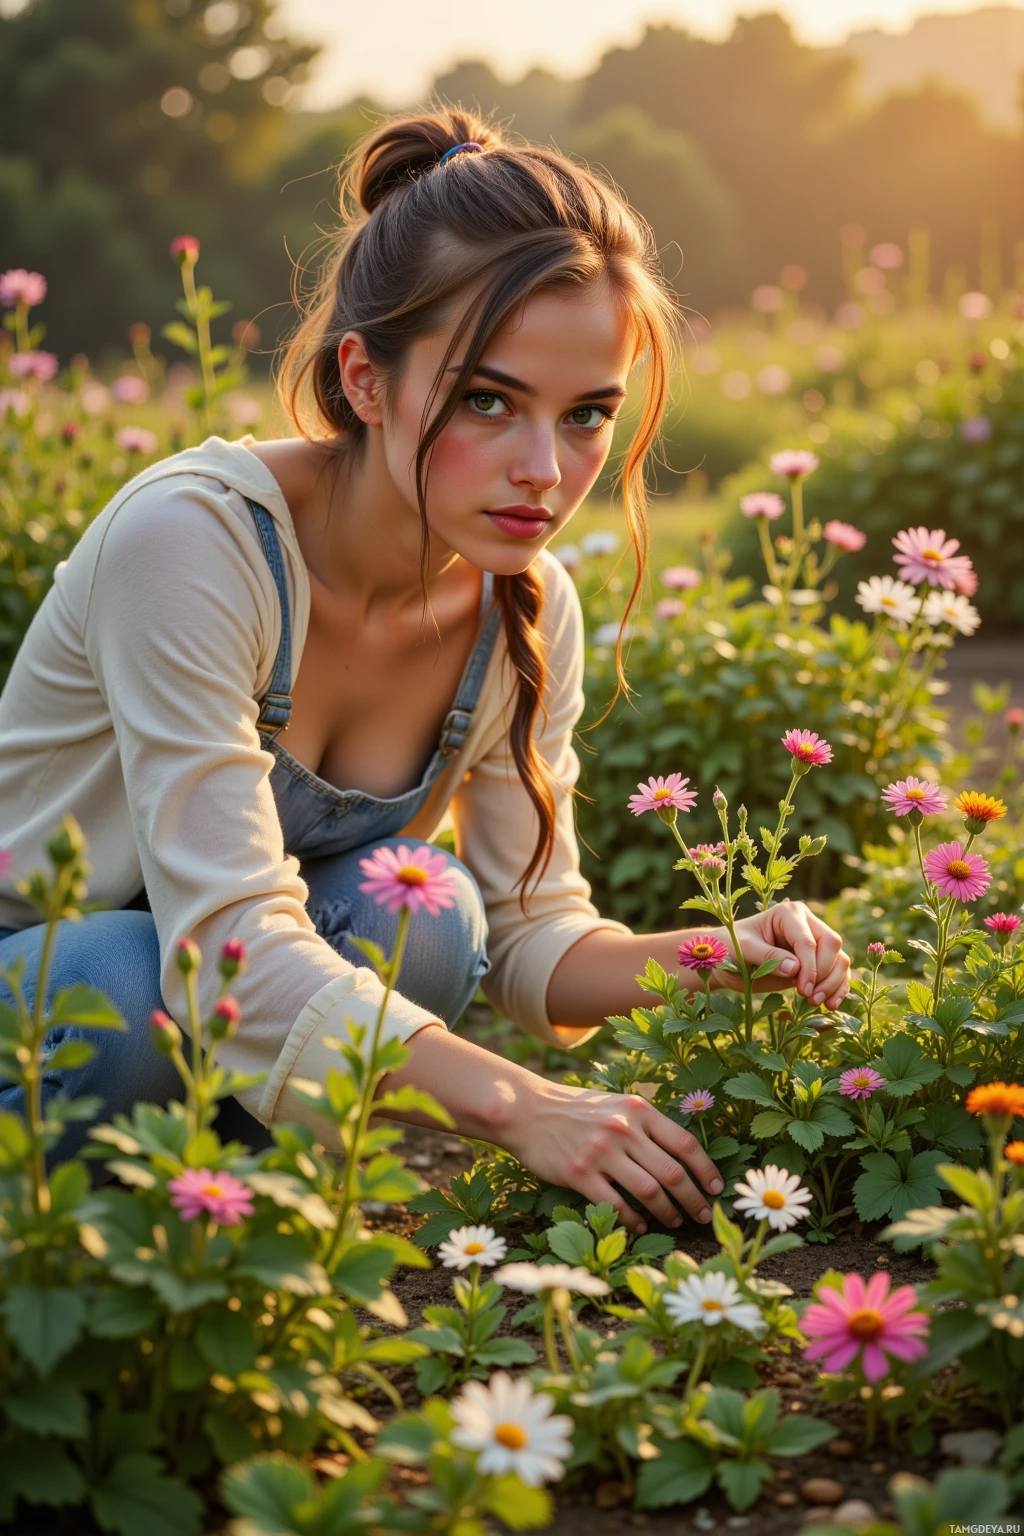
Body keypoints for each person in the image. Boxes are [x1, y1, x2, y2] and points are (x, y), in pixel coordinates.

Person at [0, 110, 849, 1233]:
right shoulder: (192, 543)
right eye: (488, 401)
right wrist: (521, 1107)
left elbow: (531, 931)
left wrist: (715, 955)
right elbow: (224, 942)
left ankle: (229, 1214)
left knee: (430, 912)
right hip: (53, 994)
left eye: (587, 415)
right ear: (364, 378)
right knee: (125, 976)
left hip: (214, 1016)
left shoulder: (524, 602)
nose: (544, 471)